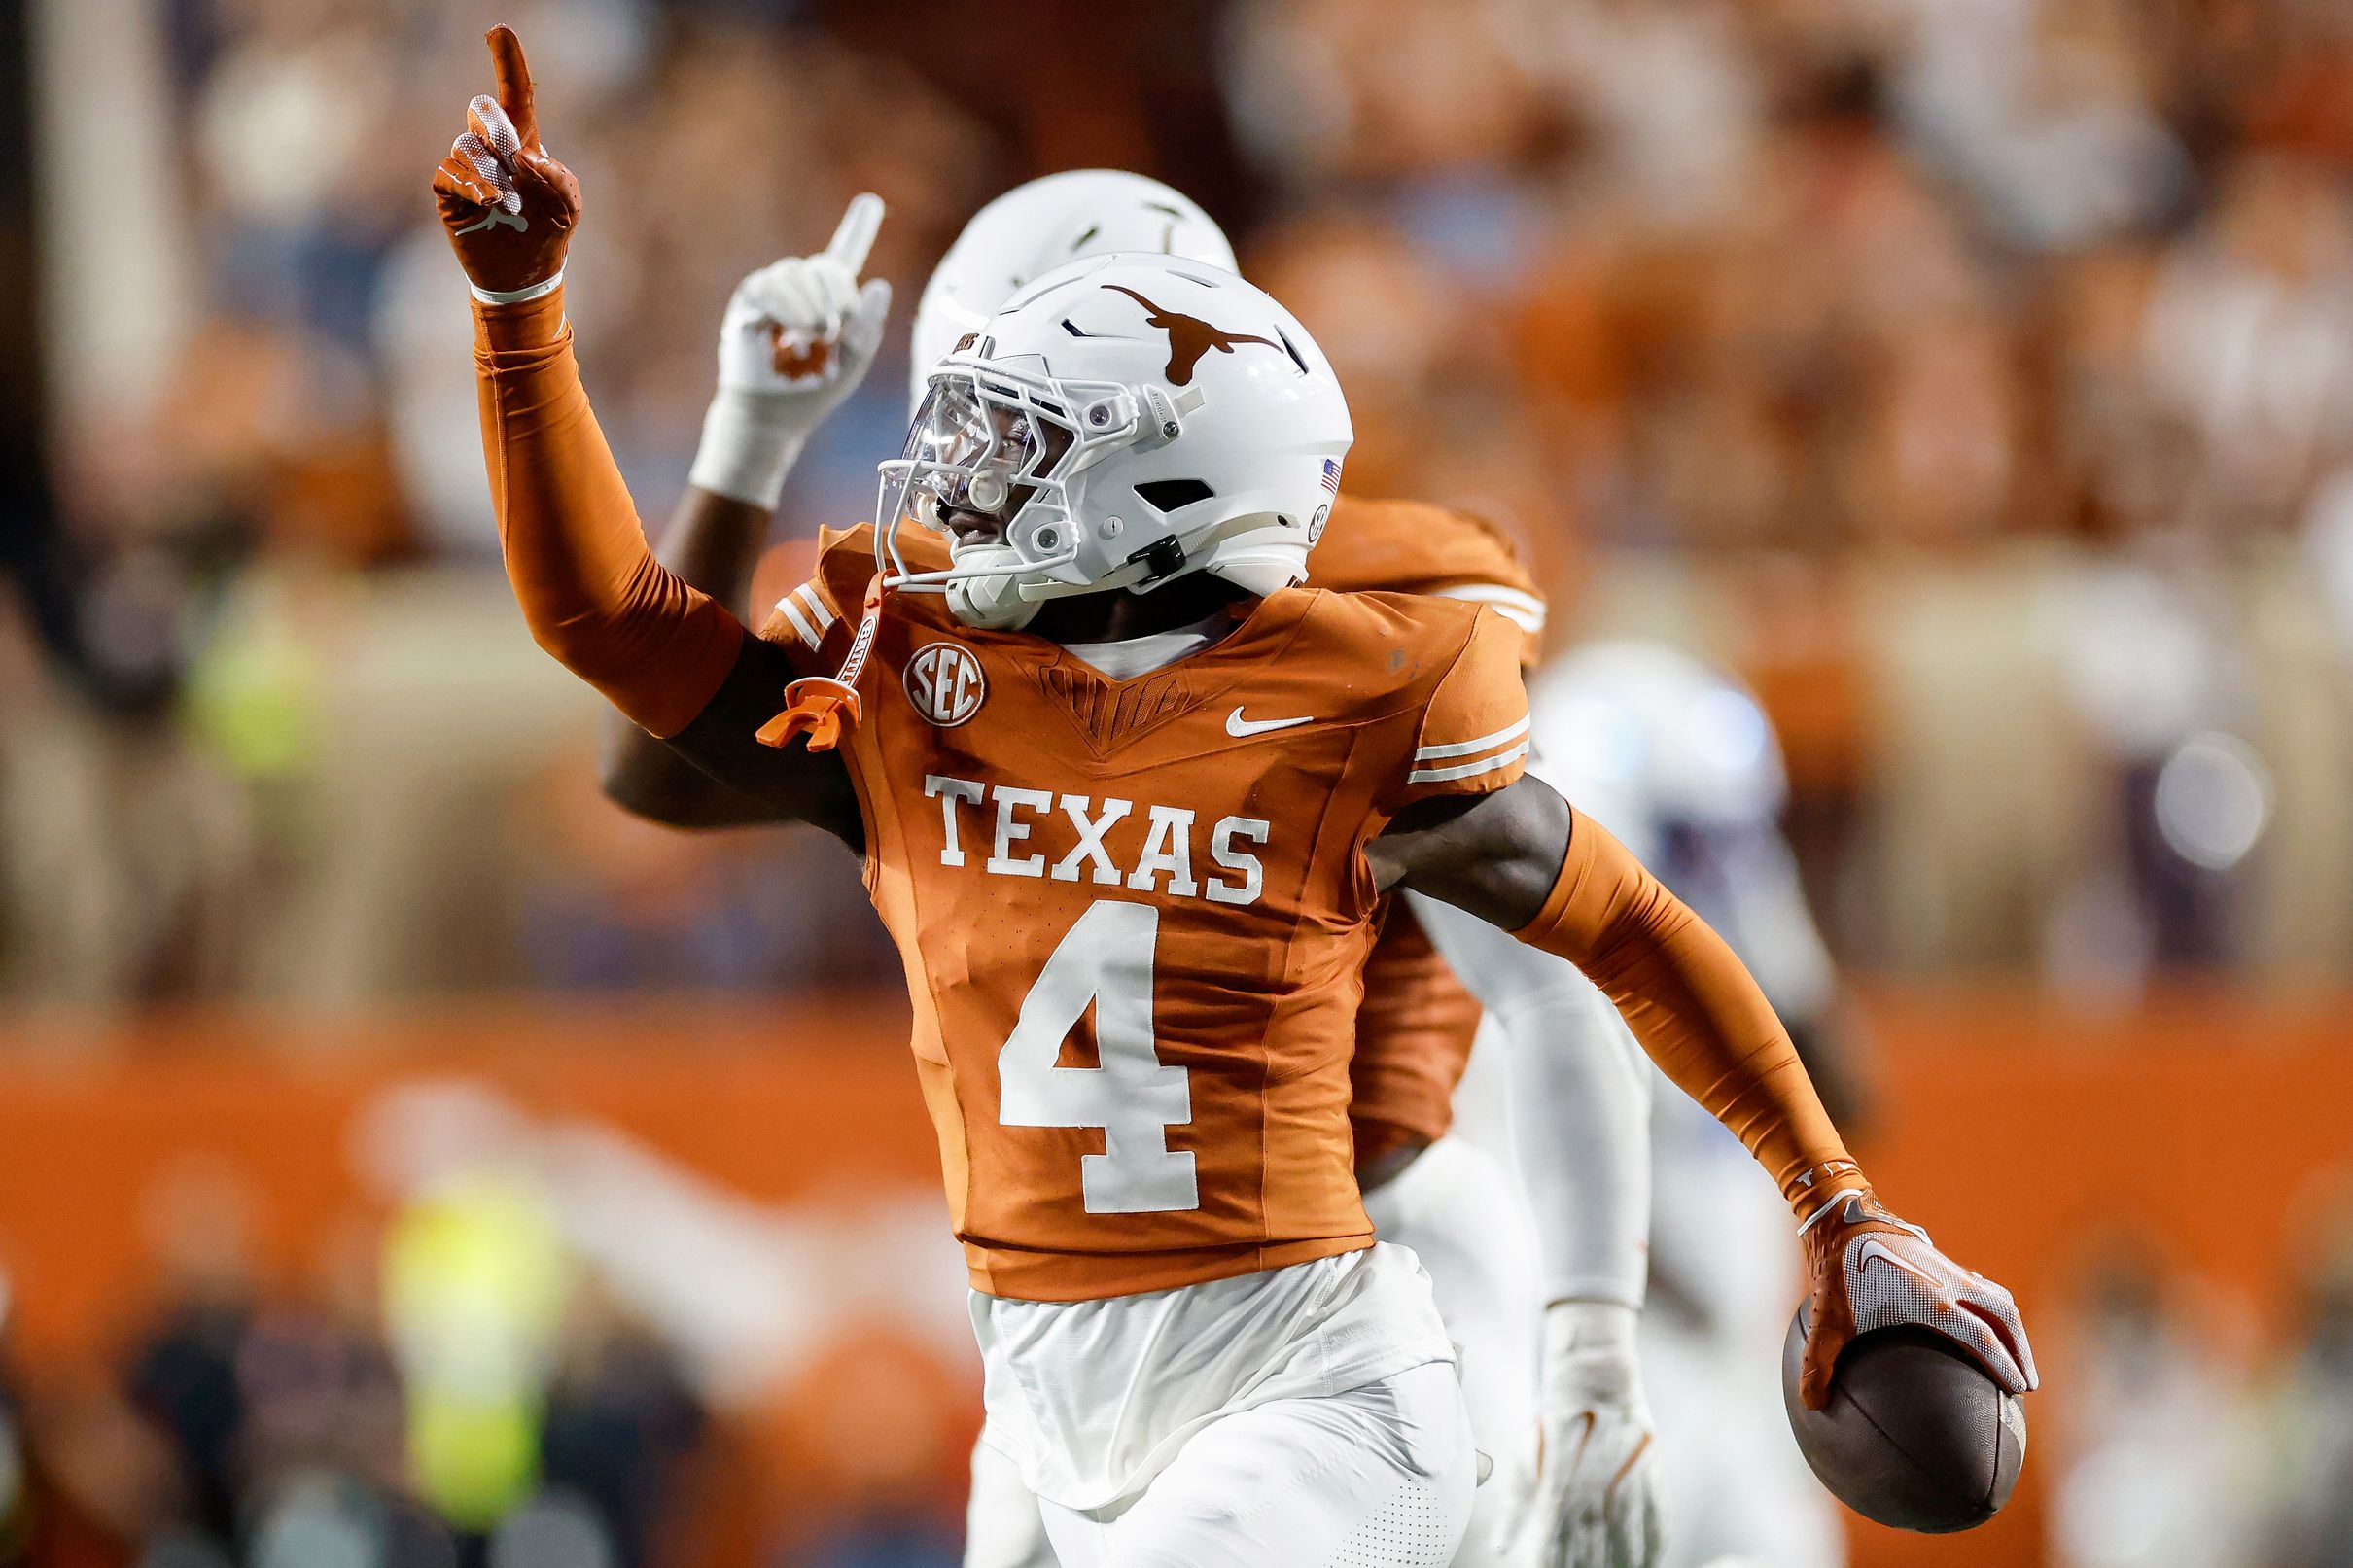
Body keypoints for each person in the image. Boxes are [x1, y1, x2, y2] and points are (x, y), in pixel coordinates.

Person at [433, 28, 2034, 1568]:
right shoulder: (917, 655)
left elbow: (1599, 941)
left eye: (1005, 431)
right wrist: (550, 321)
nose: (949, 470)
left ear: (1159, 472)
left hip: (1356, 1303)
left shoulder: (1374, 657)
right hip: (1065, 1359)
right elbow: (642, 703)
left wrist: (1806, 1227)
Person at [598, 167, 1576, 1568]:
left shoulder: (1387, 606)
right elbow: (659, 771)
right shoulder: (977, 614)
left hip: (1355, 1270)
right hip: (1093, 1301)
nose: (970, 477)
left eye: (1015, 419)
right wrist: (748, 438)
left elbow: (1557, 932)